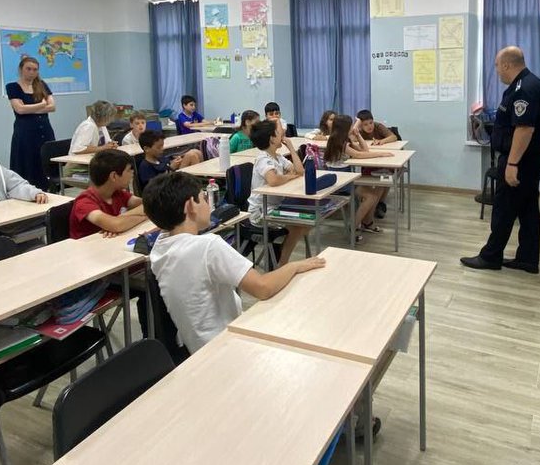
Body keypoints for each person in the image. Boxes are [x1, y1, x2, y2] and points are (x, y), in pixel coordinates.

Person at [144, 172, 326, 355]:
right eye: (203, 198)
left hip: (196, 348)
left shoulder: (159, 248)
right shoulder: (207, 247)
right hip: (225, 345)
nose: (209, 204)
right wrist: (294, 266)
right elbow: (262, 288)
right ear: (190, 206)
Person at [461, 46, 540, 274]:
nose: (497, 70)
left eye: (497, 66)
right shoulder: (527, 84)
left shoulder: (524, 89)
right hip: (528, 160)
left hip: (520, 161)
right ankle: (528, 258)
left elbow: (524, 129)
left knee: (504, 209)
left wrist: (512, 164)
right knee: (528, 208)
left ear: (507, 65)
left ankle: (491, 256)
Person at [248, 119, 310, 266]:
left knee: (306, 222)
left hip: (274, 208)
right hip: (260, 212)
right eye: (279, 131)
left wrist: (291, 148)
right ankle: (282, 264)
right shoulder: (263, 158)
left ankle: (278, 256)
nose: (283, 132)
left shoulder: (278, 157)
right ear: (272, 138)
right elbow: (273, 180)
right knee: (299, 225)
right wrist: (289, 176)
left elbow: (300, 171)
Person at [323, 114, 392, 236]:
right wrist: (381, 154)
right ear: (344, 128)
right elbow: (358, 155)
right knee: (370, 196)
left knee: (379, 187)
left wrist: (358, 135)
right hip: (339, 182)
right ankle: (353, 227)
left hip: (346, 178)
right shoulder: (337, 141)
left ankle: (367, 222)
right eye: (351, 126)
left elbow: (364, 150)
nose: (354, 127)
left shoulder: (345, 139)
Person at [68, 148, 145, 239]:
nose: (132, 173)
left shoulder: (117, 193)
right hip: (87, 248)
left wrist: (122, 217)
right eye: (128, 170)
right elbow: (116, 225)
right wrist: (144, 216)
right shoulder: (84, 201)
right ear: (114, 176)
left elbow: (149, 205)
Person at [5, 54, 55, 190]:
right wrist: (41, 105)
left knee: (44, 162)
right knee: (27, 162)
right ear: (21, 69)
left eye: (35, 69)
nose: (32, 72)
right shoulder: (12, 87)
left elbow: (52, 107)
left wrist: (30, 109)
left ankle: (47, 189)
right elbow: (19, 109)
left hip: (44, 130)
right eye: (29, 69)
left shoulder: (42, 85)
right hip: (25, 132)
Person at [136, 129, 201, 188]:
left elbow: (167, 163)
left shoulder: (160, 158)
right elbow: (155, 187)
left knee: (193, 155)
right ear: (146, 149)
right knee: (191, 155)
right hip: (167, 191)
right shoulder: (145, 166)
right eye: (158, 147)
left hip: (173, 181)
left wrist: (177, 160)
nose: (162, 149)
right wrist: (170, 169)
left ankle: (197, 187)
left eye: (162, 146)